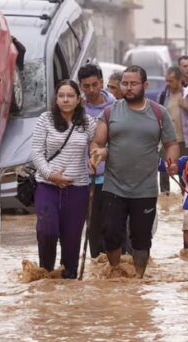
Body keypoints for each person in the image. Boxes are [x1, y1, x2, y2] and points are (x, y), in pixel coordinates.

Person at [89, 65, 179, 278]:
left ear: (145, 85)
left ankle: (138, 278)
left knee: (141, 238)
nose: (128, 88)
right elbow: (97, 142)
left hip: (145, 188)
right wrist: (97, 153)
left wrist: (171, 160)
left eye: (133, 84)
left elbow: (171, 143)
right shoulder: (110, 112)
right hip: (114, 186)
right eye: (125, 84)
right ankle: (115, 271)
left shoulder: (159, 113)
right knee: (111, 233)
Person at [31, 80, 97, 279]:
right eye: (61, 95)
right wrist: (51, 175)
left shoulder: (88, 122)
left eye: (70, 96)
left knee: (72, 241)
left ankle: (68, 284)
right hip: (47, 186)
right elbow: (36, 152)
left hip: (77, 189)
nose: (65, 99)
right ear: (56, 98)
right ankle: (46, 274)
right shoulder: (45, 119)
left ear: (78, 100)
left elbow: (96, 145)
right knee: (47, 230)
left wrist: (94, 157)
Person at [77, 64, 116, 259]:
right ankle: (98, 270)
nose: (91, 90)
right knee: (93, 228)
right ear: (81, 86)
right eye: (86, 86)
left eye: (95, 84)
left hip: (112, 177)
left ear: (101, 82)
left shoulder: (115, 107)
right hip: (86, 178)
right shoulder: (77, 110)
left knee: (113, 227)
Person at [158, 66, 188, 193]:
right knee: (164, 173)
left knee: (185, 173)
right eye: (166, 80)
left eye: (171, 80)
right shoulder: (163, 96)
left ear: (179, 80)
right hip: (167, 141)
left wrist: (187, 107)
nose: (168, 83)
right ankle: (165, 203)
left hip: (185, 141)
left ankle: (185, 199)